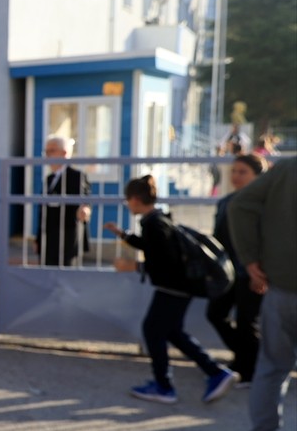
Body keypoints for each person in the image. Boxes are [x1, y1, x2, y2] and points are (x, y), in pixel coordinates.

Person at [104, 175, 238, 405]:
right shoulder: (157, 220)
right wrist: (124, 235)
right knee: (172, 332)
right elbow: (153, 248)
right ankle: (215, 373)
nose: (127, 204)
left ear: (135, 199)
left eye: (128, 200)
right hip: (179, 287)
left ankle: (164, 386)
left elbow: (165, 262)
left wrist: (133, 266)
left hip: (173, 288)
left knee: (153, 330)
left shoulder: (154, 225)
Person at [229, 157, 297, 431]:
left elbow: (239, 204)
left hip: (281, 287)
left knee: (271, 366)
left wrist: (251, 259)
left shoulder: (286, 169)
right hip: (279, 285)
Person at [206, 153, 266, 385]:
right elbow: (218, 240)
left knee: (246, 322)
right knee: (215, 314)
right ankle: (247, 358)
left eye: (243, 172)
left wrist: (259, 272)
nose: (236, 176)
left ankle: (249, 369)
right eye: (234, 171)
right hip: (227, 273)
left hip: (251, 273)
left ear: (257, 177)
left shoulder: (262, 205)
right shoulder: (225, 202)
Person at [35, 135, 91, 267]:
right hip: (48, 239)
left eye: (52, 151)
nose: (47, 155)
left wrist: (85, 209)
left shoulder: (76, 176)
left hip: (66, 240)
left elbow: (84, 198)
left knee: (65, 279)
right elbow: (43, 210)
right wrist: (38, 238)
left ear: (64, 153)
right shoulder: (49, 179)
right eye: (46, 151)